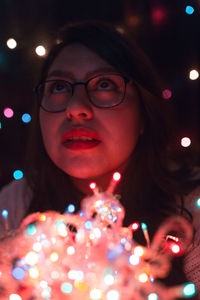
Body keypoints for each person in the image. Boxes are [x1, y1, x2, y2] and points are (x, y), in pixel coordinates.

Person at [0, 20, 199, 296]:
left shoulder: (192, 214)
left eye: (104, 84)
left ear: (143, 113)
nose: (76, 108)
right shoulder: (13, 208)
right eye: (58, 87)